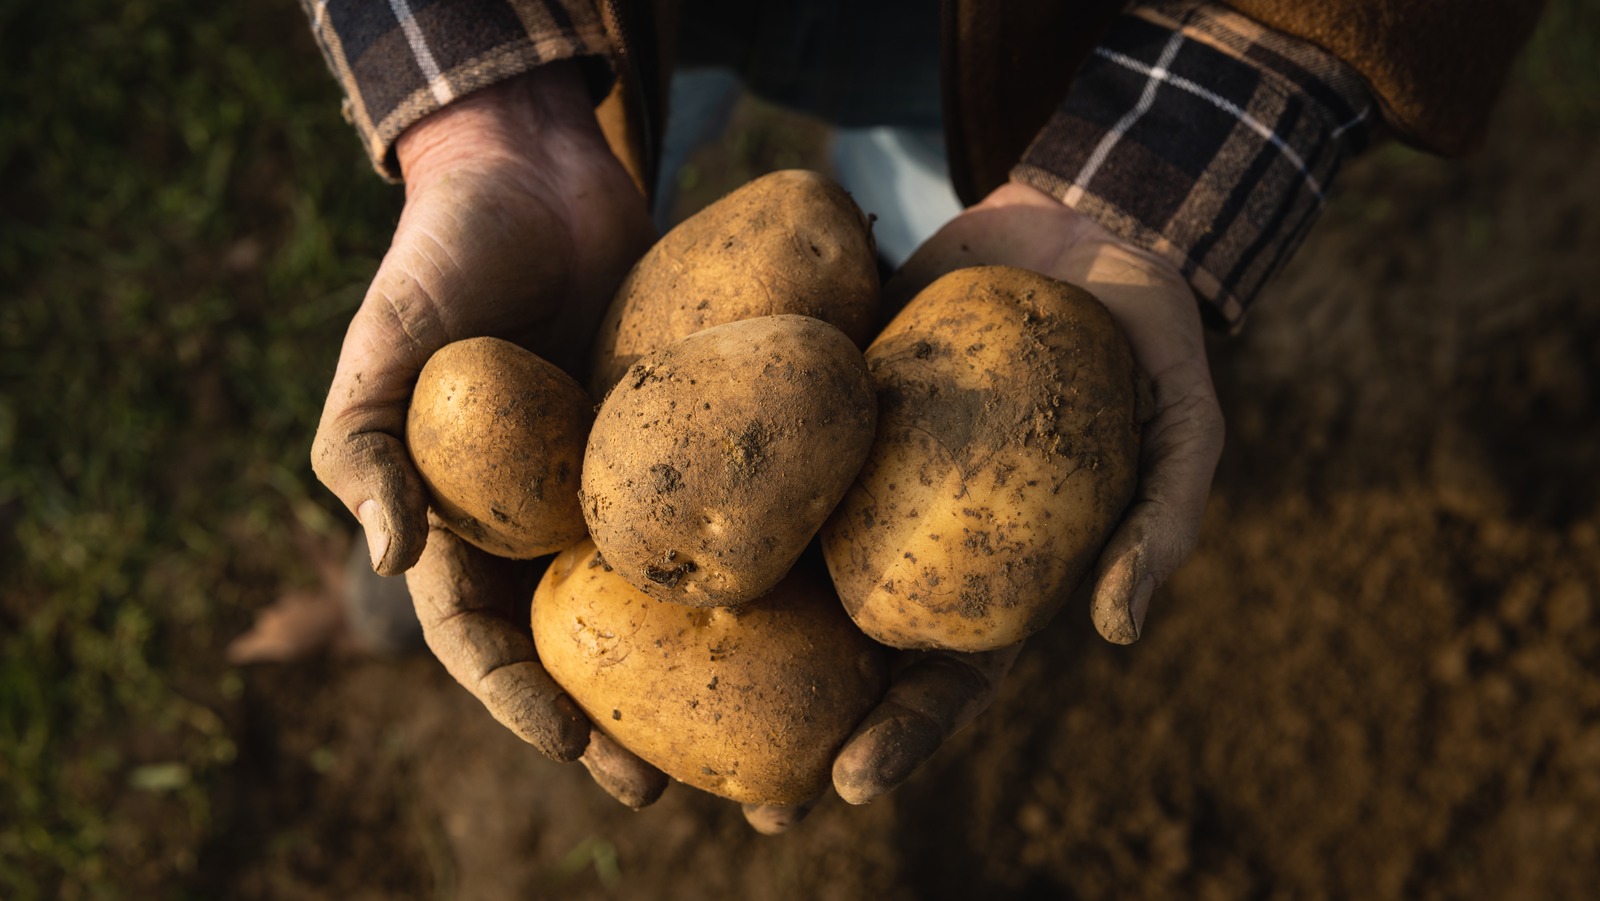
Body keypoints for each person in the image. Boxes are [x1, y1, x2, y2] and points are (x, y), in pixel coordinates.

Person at [296, 0, 1544, 832]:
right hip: (607, 23)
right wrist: (482, 113)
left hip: (1051, 47)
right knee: (558, 272)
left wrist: (1181, 148)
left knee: (924, 218)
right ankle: (411, 549)